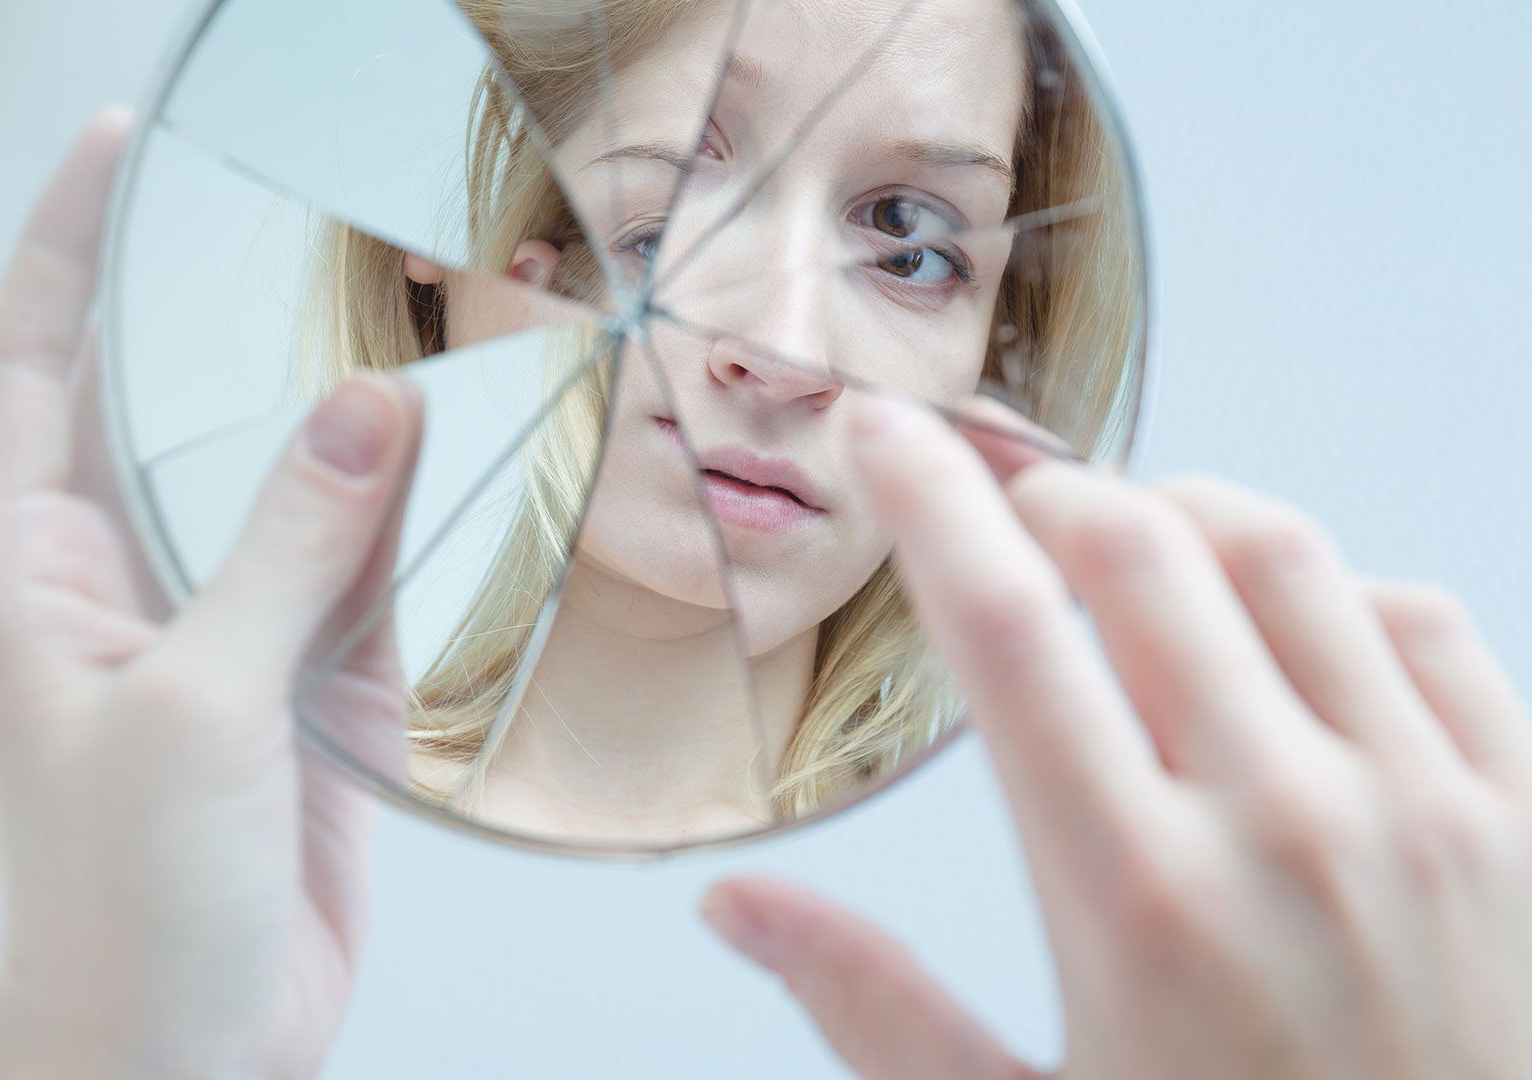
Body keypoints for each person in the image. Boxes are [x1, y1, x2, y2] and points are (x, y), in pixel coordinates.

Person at [0, 113, 1531, 1079]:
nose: (780, 347)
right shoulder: (214, 838)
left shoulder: (1194, 935)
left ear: (1001, 343)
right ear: (456, 236)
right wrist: (98, 1054)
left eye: (910, 240)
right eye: (668, 202)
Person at [300, 0, 1137, 842]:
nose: (786, 356)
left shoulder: (1033, 903)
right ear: (458, 205)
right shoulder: (251, 812)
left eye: (905, 239)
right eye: (686, 195)